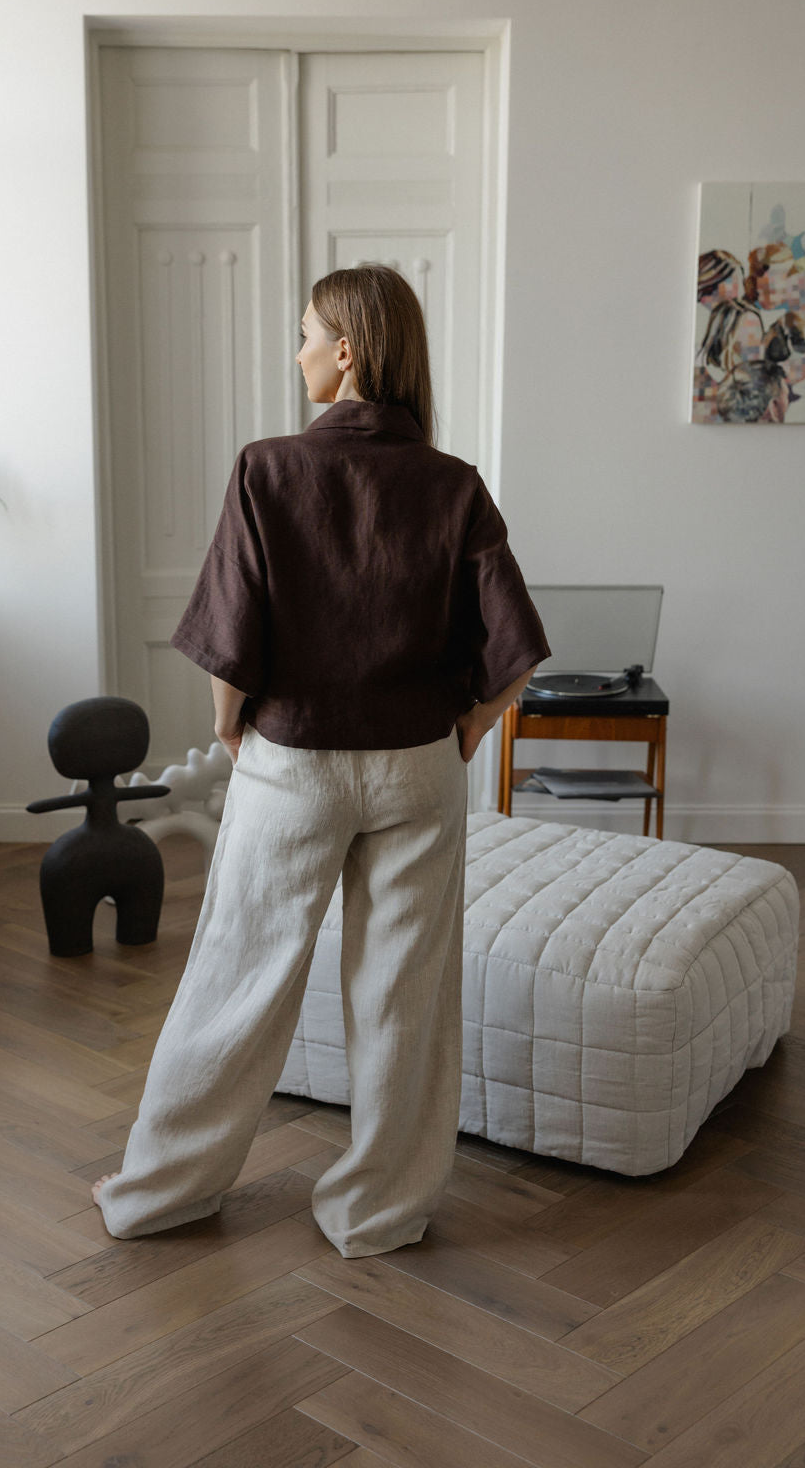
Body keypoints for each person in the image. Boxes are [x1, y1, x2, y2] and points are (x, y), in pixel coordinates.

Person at [92, 264, 550, 1258]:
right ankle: (376, 1212)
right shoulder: (454, 484)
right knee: (404, 997)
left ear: (346, 351)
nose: (296, 352)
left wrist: (229, 727)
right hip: (419, 766)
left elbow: (231, 639)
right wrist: (469, 730)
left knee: (237, 978)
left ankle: (160, 1194)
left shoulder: (267, 469)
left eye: (306, 335)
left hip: (289, 761)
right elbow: (517, 650)